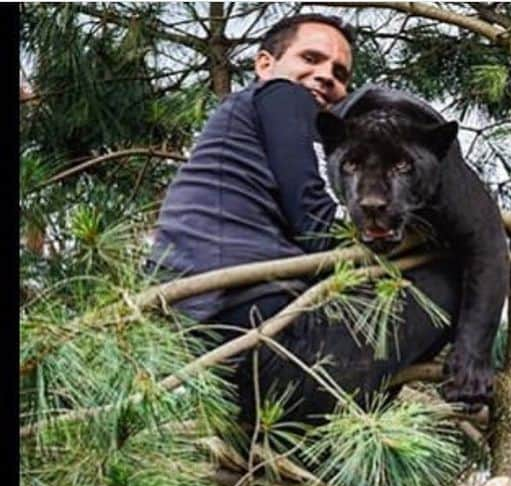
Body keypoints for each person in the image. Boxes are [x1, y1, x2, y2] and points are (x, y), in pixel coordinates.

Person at [150, 13, 464, 430]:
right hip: (259, 335)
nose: (324, 77)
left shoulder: (239, 130)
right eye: (310, 58)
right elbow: (310, 214)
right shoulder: (280, 95)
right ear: (264, 65)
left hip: (205, 366)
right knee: (451, 270)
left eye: (339, 73)